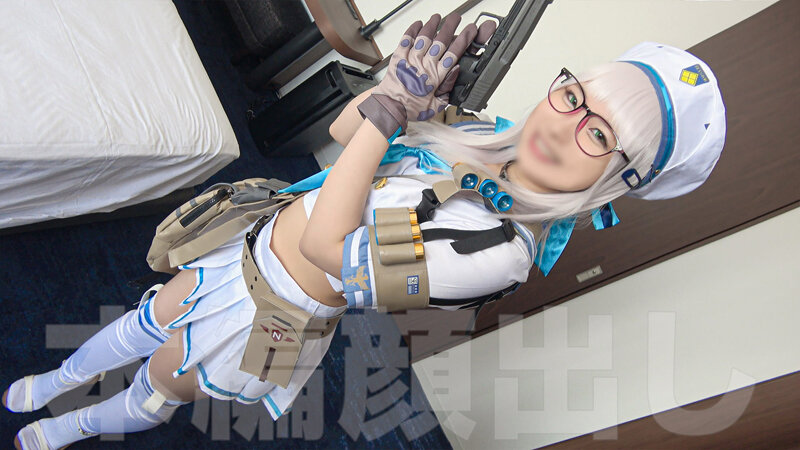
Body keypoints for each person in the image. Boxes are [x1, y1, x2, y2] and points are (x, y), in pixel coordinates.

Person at [3, 11, 726, 449]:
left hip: (278, 317)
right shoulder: (483, 133)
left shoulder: (500, 251)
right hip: (252, 242)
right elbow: (347, 134)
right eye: (574, 95)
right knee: (149, 317)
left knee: (163, 378)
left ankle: (77, 427)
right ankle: (65, 378)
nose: (567, 124)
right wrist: (393, 95)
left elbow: (328, 250)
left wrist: (391, 118)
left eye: (601, 134)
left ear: (622, 179)